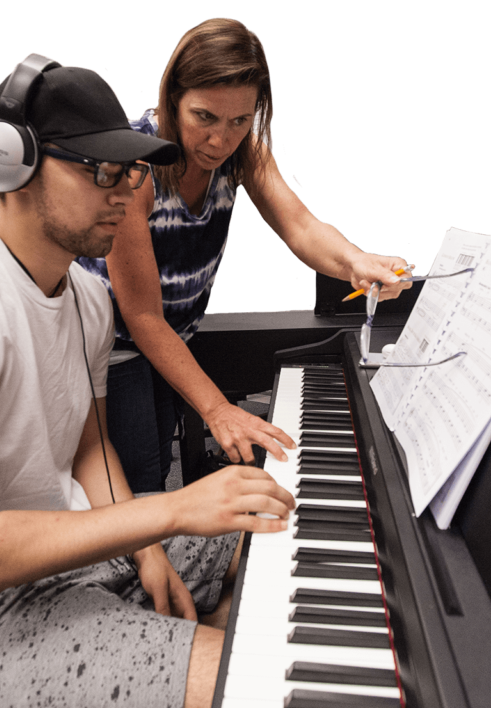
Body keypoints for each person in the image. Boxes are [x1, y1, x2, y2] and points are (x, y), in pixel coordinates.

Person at [0, 58, 294, 708]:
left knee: (276, 527)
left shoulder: (86, 298)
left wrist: (146, 549)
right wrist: (166, 513)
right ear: (9, 166)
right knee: (262, 686)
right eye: (99, 170)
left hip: (73, 556)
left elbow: (89, 446)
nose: (125, 191)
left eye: (131, 170)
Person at [75, 17, 412, 495]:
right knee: (138, 476)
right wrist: (216, 409)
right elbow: (142, 315)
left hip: (171, 334)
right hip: (110, 341)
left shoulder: (243, 153)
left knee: (156, 462)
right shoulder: (136, 170)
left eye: (239, 120)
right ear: (173, 97)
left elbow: (300, 227)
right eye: (204, 117)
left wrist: (356, 262)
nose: (220, 141)